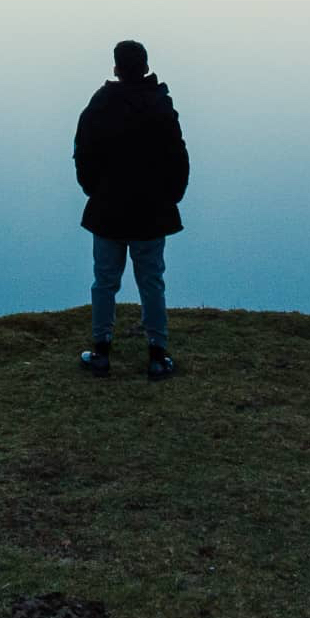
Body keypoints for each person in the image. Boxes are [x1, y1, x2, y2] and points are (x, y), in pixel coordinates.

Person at [72, 39, 189, 379]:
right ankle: (157, 354)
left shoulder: (101, 104)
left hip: (108, 208)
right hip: (152, 210)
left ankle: (101, 351)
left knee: (105, 281)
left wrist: (92, 189)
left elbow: (84, 152)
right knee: (151, 281)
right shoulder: (160, 105)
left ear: (116, 69)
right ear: (145, 66)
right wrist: (172, 195)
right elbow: (178, 157)